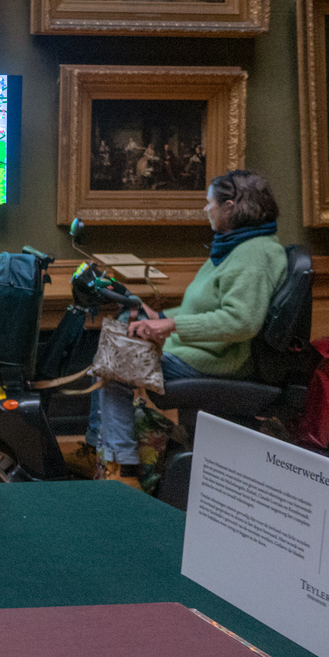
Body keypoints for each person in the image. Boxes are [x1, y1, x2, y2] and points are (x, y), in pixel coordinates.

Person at [97, 170, 287, 489]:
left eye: (209, 203)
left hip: (220, 361)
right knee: (115, 348)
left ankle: (122, 468)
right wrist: (155, 316)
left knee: (115, 366)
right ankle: (105, 454)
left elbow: (241, 322)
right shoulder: (236, 246)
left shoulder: (254, 255)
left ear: (229, 205)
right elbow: (200, 310)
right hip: (203, 352)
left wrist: (169, 325)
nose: (206, 209)